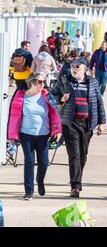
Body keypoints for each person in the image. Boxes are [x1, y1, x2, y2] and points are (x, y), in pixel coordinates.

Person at [52, 57, 106, 198]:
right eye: (73, 66)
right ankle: (75, 186)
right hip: (70, 123)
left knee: (83, 155)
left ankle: (77, 178)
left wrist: (101, 122)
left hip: (87, 124)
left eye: (78, 66)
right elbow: (52, 95)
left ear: (85, 68)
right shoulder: (64, 80)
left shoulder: (92, 83)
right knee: (74, 155)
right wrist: (60, 99)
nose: (74, 69)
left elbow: (99, 103)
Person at [7, 72, 62, 200]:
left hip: (43, 135)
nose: (42, 84)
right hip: (26, 134)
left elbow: (55, 114)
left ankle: (40, 180)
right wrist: (11, 134)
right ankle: (29, 190)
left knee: (44, 163)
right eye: (39, 82)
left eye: (43, 82)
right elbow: (14, 116)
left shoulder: (47, 96)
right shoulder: (21, 96)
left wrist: (57, 130)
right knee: (29, 161)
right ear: (31, 82)